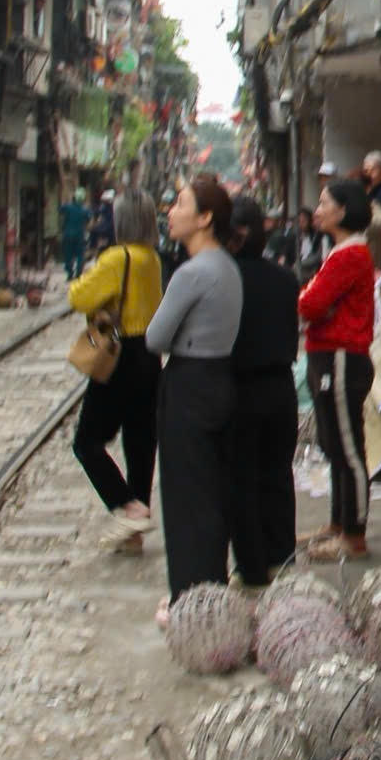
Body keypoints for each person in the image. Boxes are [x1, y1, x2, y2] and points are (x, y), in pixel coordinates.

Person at [147, 176, 250, 620]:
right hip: (220, 377)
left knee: (184, 495)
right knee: (211, 491)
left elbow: (155, 337)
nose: (171, 211)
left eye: (181, 204)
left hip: (188, 382)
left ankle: (187, 599)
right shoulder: (227, 266)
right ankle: (210, 590)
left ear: (205, 218)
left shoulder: (191, 273)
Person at [67, 190, 163, 549]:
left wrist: (83, 278)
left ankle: (127, 506)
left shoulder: (116, 258)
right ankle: (133, 534)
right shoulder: (151, 259)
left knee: (87, 442)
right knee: (140, 444)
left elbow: (79, 298)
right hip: (149, 356)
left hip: (119, 356)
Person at [296, 176, 377, 561]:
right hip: (328, 356)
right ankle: (338, 523)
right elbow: (313, 301)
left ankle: (354, 533)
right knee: (333, 444)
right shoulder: (340, 252)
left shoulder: (349, 255)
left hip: (342, 358)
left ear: (343, 211)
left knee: (347, 447)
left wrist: (311, 300)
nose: (318, 210)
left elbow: (310, 304)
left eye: (325, 203)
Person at [225, 194, 303, 583]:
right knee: (278, 476)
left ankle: (252, 568)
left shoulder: (223, 280)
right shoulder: (285, 279)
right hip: (281, 387)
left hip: (239, 388)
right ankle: (282, 558)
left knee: (242, 480)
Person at [58, 189, 90, 278]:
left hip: (68, 234)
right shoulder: (85, 210)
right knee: (80, 255)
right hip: (79, 235)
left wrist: (66, 201)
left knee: (68, 254)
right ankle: (78, 273)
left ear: (74, 198)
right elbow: (88, 219)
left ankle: (69, 273)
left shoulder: (68, 207)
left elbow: (60, 210)